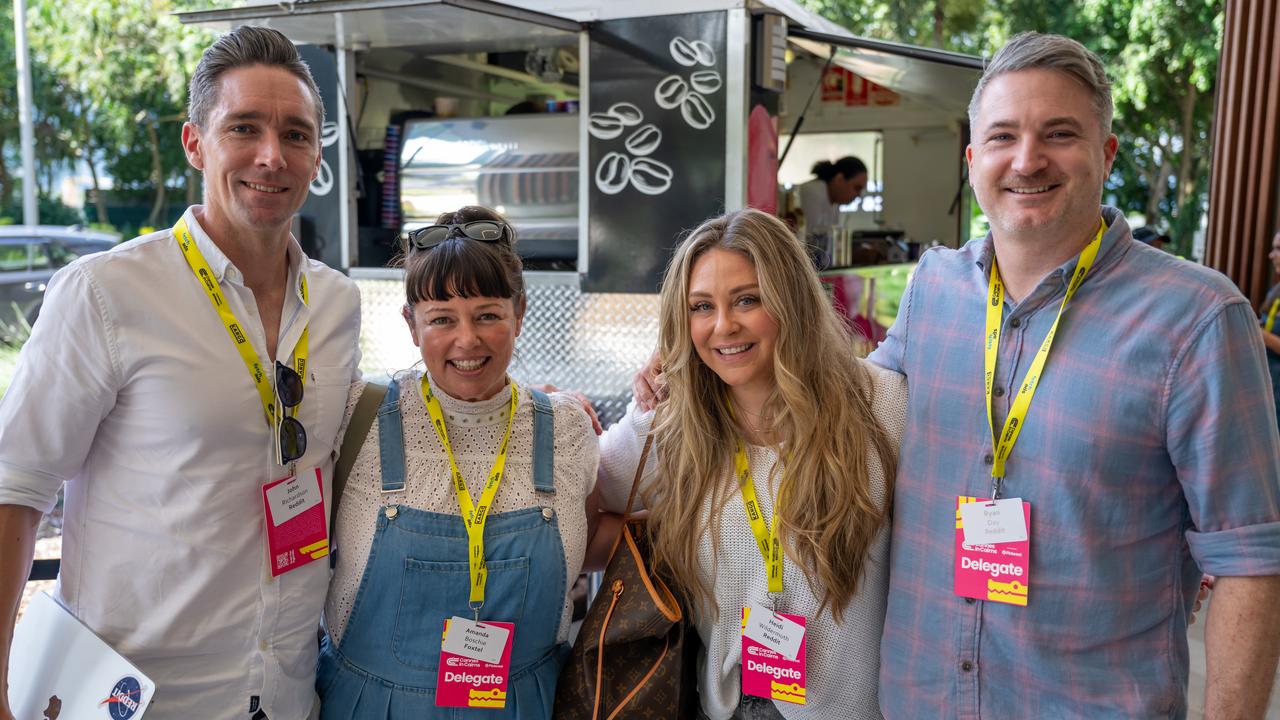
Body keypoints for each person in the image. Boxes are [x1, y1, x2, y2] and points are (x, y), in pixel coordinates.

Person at [868, 32, 1280, 718]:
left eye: (1058, 133)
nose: (1027, 160)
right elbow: (845, 412)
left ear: (1106, 153)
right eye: (1002, 136)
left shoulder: (1199, 318)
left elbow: (1249, 563)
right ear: (972, 160)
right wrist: (687, 382)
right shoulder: (930, 289)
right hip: (919, 700)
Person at [0, 26, 362, 720]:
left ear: (317, 153)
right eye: (244, 128)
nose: (271, 156)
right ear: (197, 143)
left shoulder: (338, 304)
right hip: (132, 698)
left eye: (295, 134)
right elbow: (15, 487)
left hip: (285, 695)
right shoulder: (106, 294)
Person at [600, 208, 905, 719]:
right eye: (701, 307)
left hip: (853, 708)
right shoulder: (675, 426)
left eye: (747, 299)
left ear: (791, 301)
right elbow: (584, 495)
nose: (723, 326)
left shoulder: (880, 405)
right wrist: (561, 409)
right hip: (725, 706)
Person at [316, 206, 598, 718]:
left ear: (521, 311)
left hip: (528, 704)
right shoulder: (354, 415)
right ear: (411, 323)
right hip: (371, 705)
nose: (467, 340)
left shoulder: (567, 429)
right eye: (442, 319)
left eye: (488, 314)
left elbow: (608, 529)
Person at [797, 156, 867, 264]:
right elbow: (807, 241)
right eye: (856, 188)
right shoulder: (813, 192)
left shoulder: (835, 203)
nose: (858, 195)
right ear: (839, 179)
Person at [1261, 230, 1280, 430]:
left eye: (1278, 249)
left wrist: (1256, 332)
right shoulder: (1275, 290)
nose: (1271, 255)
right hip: (1269, 389)